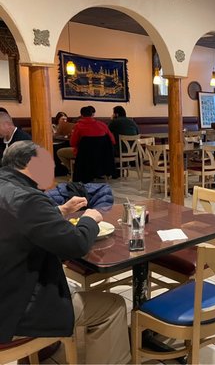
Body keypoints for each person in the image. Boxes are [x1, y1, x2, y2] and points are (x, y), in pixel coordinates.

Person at [0, 141, 131, 364]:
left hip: (7, 287)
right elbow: (76, 244)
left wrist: (60, 210)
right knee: (114, 306)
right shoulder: (28, 198)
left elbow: (22, 223)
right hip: (15, 309)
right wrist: (90, 218)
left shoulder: (8, 188)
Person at [57, 106, 115, 173]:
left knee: (60, 152)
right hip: (101, 153)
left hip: (83, 154)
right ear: (92, 114)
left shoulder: (78, 126)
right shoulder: (103, 125)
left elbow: (73, 143)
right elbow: (112, 141)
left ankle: (74, 171)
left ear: (81, 115)